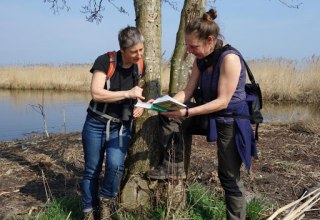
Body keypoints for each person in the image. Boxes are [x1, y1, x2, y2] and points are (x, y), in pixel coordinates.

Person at [148, 9, 257, 220]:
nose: (188, 51)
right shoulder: (201, 59)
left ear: (210, 40)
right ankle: (174, 167)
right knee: (169, 115)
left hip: (230, 121)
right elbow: (187, 92)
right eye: (187, 45)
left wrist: (187, 111)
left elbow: (223, 101)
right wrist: (161, 104)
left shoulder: (230, 59)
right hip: (209, 115)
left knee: (228, 177)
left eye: (193, 46)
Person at [81, 26, 146, 220]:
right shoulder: (105, 61)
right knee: (92, 169)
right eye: (134, 51)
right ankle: (87, 211)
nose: (139, 54)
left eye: (141, 50)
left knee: (116, 166)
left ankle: (106, 204)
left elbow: (138, 90)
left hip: (121, 125)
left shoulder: (140, 65)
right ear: (123, 50)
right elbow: (97, 93)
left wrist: (141, 104)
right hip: (96, 123)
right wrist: (127, 94)